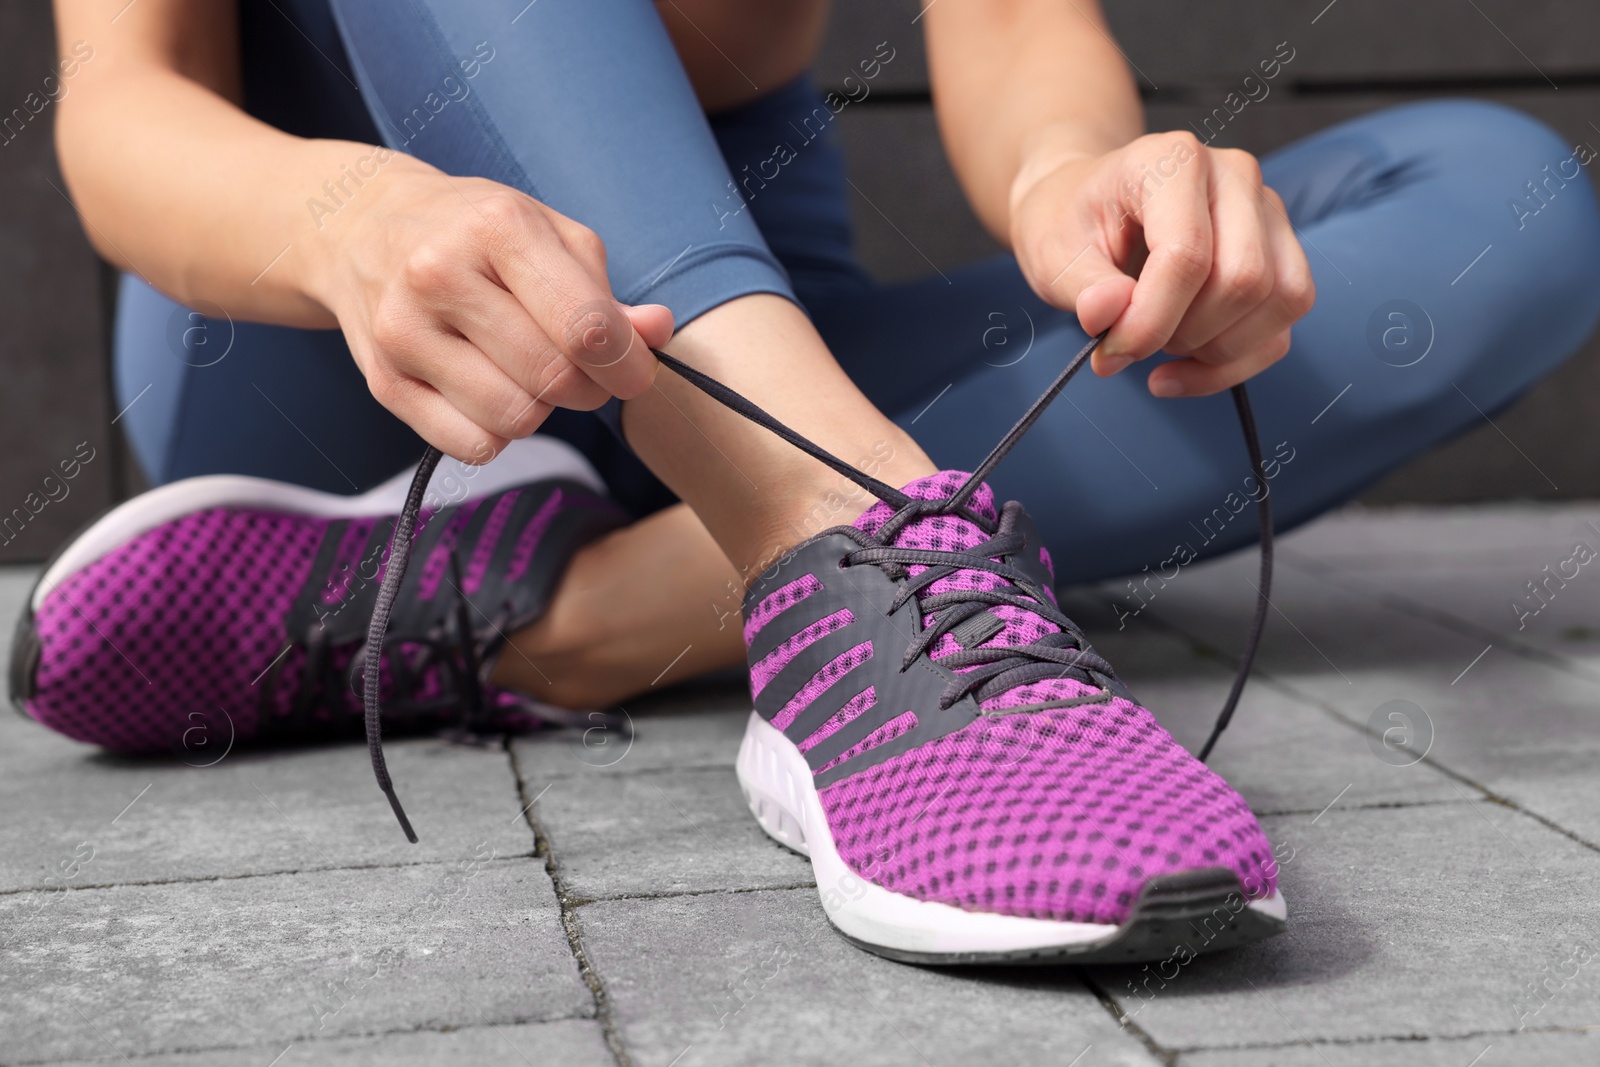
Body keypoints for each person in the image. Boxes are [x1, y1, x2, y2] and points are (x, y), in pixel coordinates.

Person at [15, 0, 1599, 961]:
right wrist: (347, 221)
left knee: (1500, 203)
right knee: (799, 462)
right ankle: (824, 537)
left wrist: (1078, 184)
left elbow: (1019, 34)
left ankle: (536, 611)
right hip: (363, 368)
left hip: (772, 345)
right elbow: (121, 111)